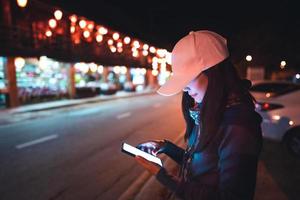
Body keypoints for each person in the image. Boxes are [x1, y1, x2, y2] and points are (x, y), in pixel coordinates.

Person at [134, 30, 263, 200]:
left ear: (213, 73)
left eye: (188, 78)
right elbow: (203, 167)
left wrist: (165, 177)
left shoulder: (238, 125)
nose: (184, 88)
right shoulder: (209, 111)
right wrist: (166, 147)